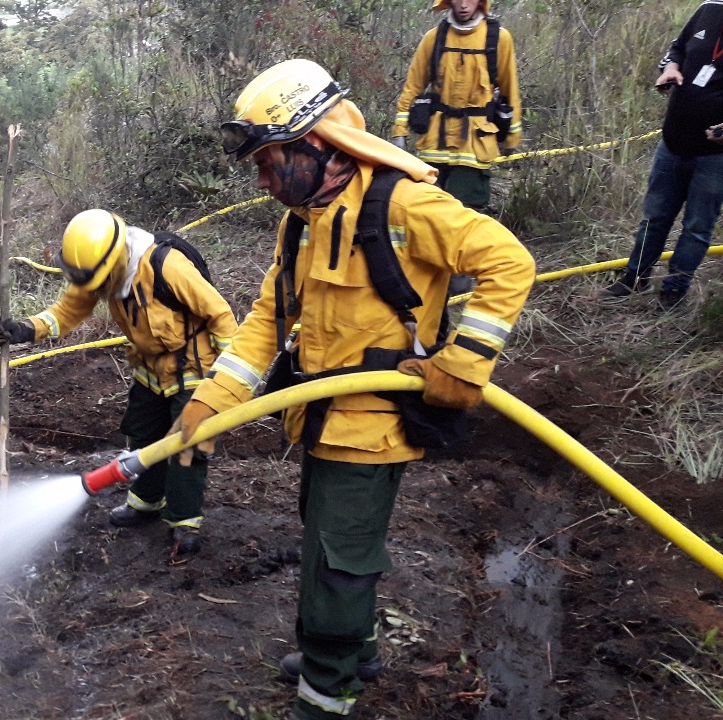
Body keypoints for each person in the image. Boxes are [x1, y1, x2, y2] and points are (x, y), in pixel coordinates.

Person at [176, 59, 534, 719]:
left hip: (373, 428)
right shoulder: (304, 219)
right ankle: (357, 649)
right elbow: (265, 322)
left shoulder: (402, 204)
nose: (261, 180)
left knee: (336, 563)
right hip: (318, 417)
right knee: (332, 538)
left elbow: (508, 261)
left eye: (270, 161)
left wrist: (465, 361)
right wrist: (208, 401)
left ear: (319, 145)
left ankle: (327, 691)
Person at [0, 209, 238, 555]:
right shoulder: (97, 269)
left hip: (194, 370)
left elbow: (221, 316)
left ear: (117, 260)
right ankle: (146, 501)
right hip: (149, 369)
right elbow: (67, 311)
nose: (96, 291)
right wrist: (27, 329)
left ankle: (184, 522)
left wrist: (227, 379)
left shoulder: (167, 267)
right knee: (144, 437)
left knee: (187, 445)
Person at [599, 2, 723, 310]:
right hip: (673, 140)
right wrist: (669, 69)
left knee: (697, 225)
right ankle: (634, 278)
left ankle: (673, 292)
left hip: (715, 155)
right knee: (654, 216)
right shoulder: (709, 9)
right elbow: (677, 48)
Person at [391, 0, 523, 211]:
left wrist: (511, 138)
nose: (463, 5)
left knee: (466, 215)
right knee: (427, 213)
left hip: (475, 144)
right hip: (434, 144)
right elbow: (413, 87)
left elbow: (510, 91)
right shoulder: (434, 38)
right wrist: (399, 132)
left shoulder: (498, 39)